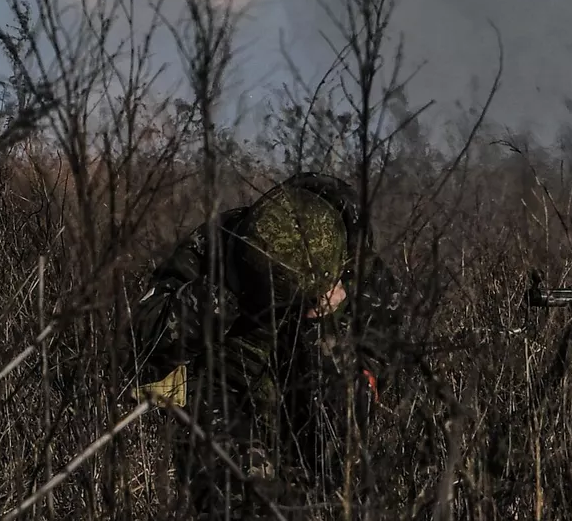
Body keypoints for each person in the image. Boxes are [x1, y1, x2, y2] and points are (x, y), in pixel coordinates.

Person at [130, 172, 402, 518]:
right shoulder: (224, 242)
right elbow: (142, 340)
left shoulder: (367, 285)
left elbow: (359, 405)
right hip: (221, 397)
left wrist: (320, 329)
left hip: (307, 417)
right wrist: (222, 296)